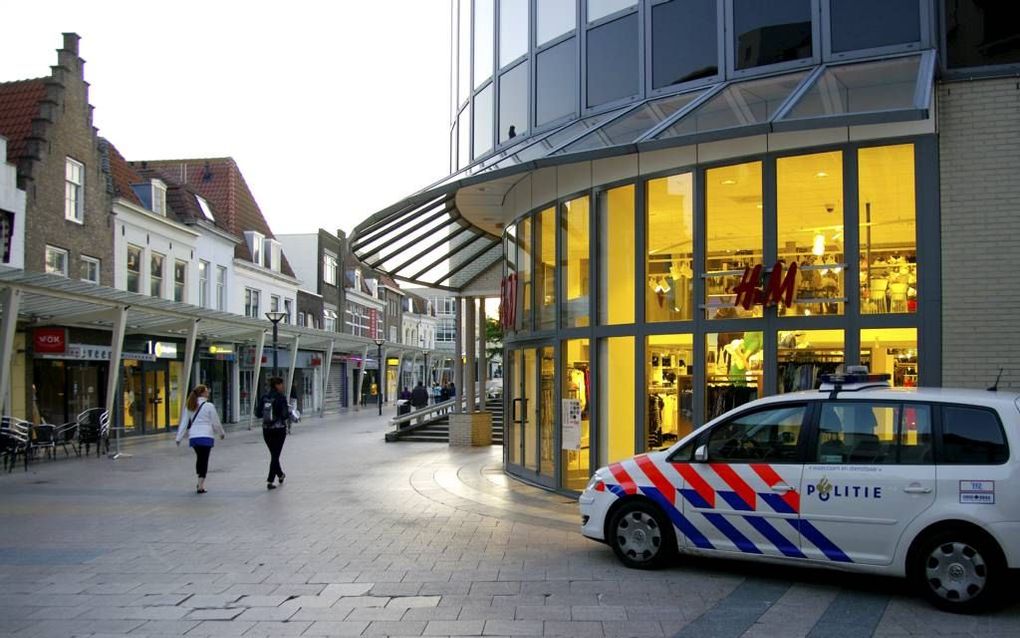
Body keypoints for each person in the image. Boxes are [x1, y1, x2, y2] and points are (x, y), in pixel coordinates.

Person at [175, 385, 225, 494]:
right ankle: (200, 485)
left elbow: (184, 423)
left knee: (200, 457)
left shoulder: (190, 405)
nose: (208, 393)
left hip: (194, 437)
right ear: (202, 393)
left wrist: (178, 438)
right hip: (206, 436)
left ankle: (199, 478)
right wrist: (221, 433)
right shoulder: (209, 406)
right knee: (204, 459)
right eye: (207, 391)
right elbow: (216, 422)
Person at [256, 376, 290, 490]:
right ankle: (270, 480)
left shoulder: (264, 397)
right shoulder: (281, 398)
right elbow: (285, 415)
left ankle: (280, 474)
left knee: (274, 455)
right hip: (279, 429)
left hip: (266, 429)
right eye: (281, 384)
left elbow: (258, 413)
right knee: (275, 455)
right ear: (277, 385)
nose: (283, 387)